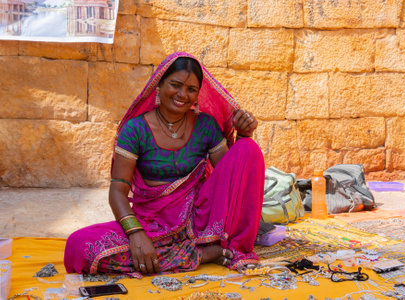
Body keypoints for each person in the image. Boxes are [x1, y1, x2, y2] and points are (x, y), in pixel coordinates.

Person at [64, 52, 265, 278]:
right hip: (151, 224)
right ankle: (205, 254)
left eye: (191, 89)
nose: (182, 95)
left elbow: (230, 180)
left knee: (249, 149)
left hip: (199, 221)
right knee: (78, 246)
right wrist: (136, 235)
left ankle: (214, 248)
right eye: (175, 85)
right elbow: (118, 191)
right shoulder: (135, 130)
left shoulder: (205, 126)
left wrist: (244, 136)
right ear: (159, 84)